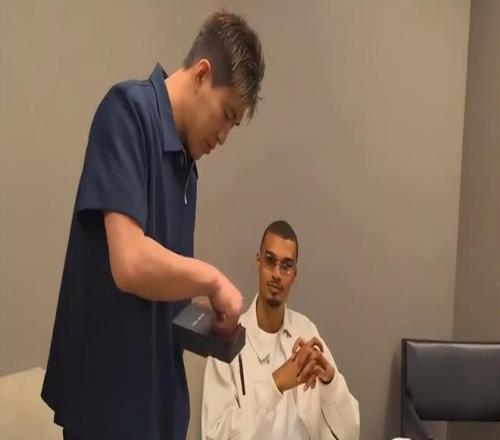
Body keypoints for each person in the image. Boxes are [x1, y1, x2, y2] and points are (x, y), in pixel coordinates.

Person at [41, 10, 265, 440]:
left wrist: (208, 314)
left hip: (159, 408)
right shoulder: (127, 112)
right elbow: (130, 264)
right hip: (109, 408)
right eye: (226, 115)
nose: (224, 136)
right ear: (202, 74)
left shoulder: (186, 166)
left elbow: (161, 286)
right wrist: (213, 279)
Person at [202, 220, 360, 440]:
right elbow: (213, 436)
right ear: (258, 262)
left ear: (294, 275)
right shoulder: (226, 341)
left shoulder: (306, 330)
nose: (276, 274)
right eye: (270, 261)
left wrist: (330, 381)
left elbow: (350, 434)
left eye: (286, 265)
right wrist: (276, 384)